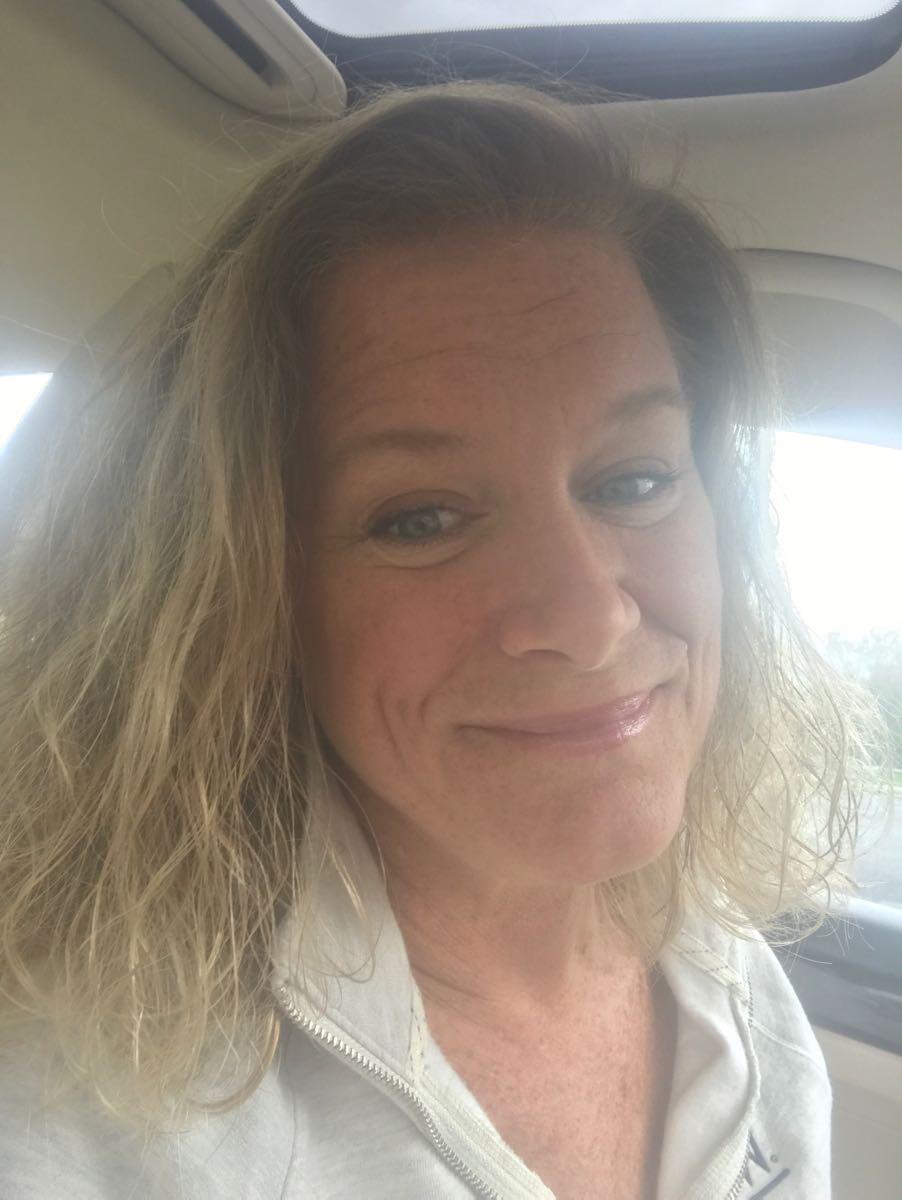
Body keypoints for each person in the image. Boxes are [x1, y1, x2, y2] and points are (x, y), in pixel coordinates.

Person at [0, 81, 886, 1200]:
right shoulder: (82, 1118)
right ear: (252, 595)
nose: (590, 620)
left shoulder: (733, 984)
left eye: (634, 479)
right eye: (419, 519)